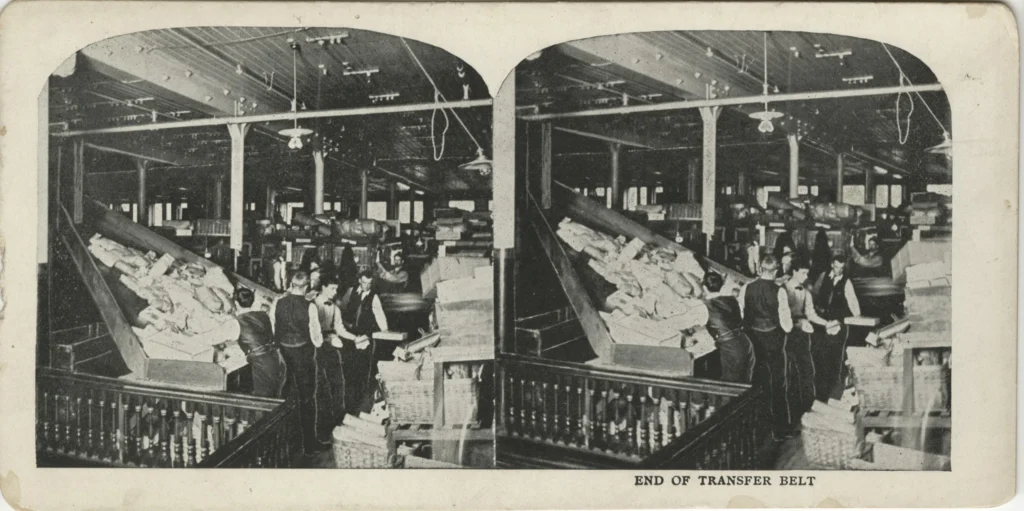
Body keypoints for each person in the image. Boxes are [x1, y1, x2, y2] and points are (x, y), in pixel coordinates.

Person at [269, 271, 330, 456]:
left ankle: (285, 443)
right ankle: (310, 444)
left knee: (285, 396)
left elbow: (273, 326)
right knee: (307, 398)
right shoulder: (309, 306)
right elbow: (316, 335)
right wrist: (319, 345)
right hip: (303, 355)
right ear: (305, 287)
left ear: (290, 284)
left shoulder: (277, 302)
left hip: (283, 353)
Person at [738, 255, 795, 440]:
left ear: (760, 269)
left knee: (757, 381)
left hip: (752, 340)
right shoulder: (780, 291)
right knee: (778, 382)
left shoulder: (746, 287)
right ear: (777, 270)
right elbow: (787, 325)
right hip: (774, 340)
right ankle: (780, 430)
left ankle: (757, 429)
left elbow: (741, 313)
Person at [783, 260, 838, 416]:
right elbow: (782, 317)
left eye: (807, 273)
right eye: (803, 273)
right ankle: (794, 410)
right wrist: (798, 323)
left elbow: (811, 314)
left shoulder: (806, 291)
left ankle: (808, 406)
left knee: (807, 369)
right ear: (794, 271)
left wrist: (827, 323)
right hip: (788, 334)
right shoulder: (783, 289)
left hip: (803, 334)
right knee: (792, 372)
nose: (806, 277)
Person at [209, 288, 287, 398]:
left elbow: (212, 338)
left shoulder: (236, 322)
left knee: (263, 401)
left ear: (236, 303)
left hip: (262, 363)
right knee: (276, 397)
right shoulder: (263, 315)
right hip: (278, 358)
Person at [338, 270, 391, 414]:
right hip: (350, 336)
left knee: (364, 368)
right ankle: (349, 399)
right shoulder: (351, 292)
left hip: (366, 337)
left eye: (369, 283)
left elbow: (380, 315)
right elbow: (341, 308)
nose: (366, 286)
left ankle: (361, 402)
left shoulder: (374, 297)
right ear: (359, 281)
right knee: (349, 367)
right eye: (364, 282)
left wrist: (385, 331)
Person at [812, 254, 862, 402]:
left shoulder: (846, 282)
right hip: (823, 321)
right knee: (821, 352)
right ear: (832, 265)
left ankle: (834, 387)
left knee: (837, 354)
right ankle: (821, 386)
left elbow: (852, 301)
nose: (839, 270)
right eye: (836, 267)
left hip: (839, 322)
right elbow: (815, 293)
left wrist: (858, 317)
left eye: (841, 268)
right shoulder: (823, 276)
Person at [701, 271, 755, 384]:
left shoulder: (704, 306)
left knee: (730, 385)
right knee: (745, 382)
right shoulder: (732, 300)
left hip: (731, 347)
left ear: (704, 287)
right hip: (745, 342)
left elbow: (684, 321)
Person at [313, 276, 349, 430]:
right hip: (317, 348)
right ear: (323, 287)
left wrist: (356, 338)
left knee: (338, 382)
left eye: (336, 289)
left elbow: (339, 328)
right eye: (332, 289)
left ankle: (338, 420)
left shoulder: (335, 307)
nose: (335, 292)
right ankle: (323, 424)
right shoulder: (312, 305)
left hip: (331, 346)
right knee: (322, 386)